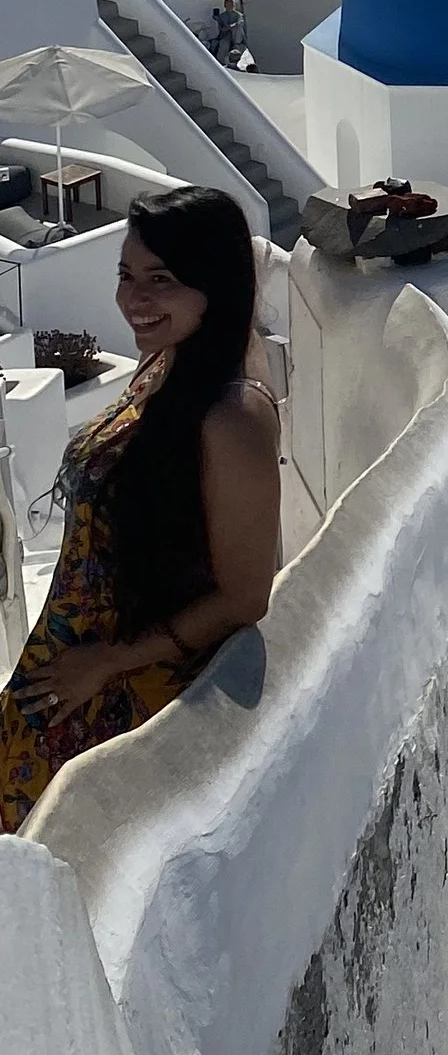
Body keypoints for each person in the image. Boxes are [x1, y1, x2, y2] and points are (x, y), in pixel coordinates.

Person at [0, 184, 282, 834]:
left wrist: (106, 661)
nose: (134, 297)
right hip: (71, 671)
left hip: (112, 699)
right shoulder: (174, 359)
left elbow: (245, 596)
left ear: (215, 283)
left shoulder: (231, 414)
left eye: (162, 279)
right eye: (127, 274)